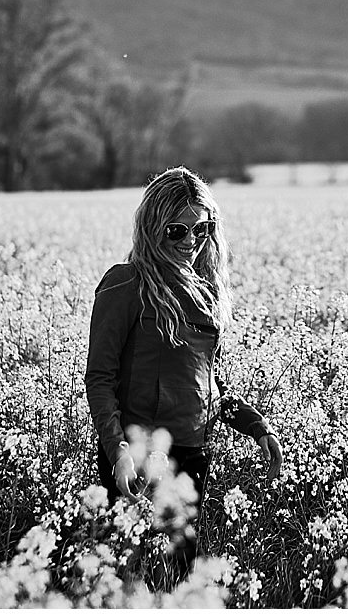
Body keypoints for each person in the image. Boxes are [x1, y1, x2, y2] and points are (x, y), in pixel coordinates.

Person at [84, 166, 282, 587]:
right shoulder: (125, 284)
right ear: (153, 227)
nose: (191, 241)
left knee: (178, 575)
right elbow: (100, 378)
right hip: (137, 455)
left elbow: (207, 383)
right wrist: (118, 450)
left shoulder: (204, 292)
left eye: (202, 229)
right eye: (177, 230)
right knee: (126, 576)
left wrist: (254, 425)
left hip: (193, 451)